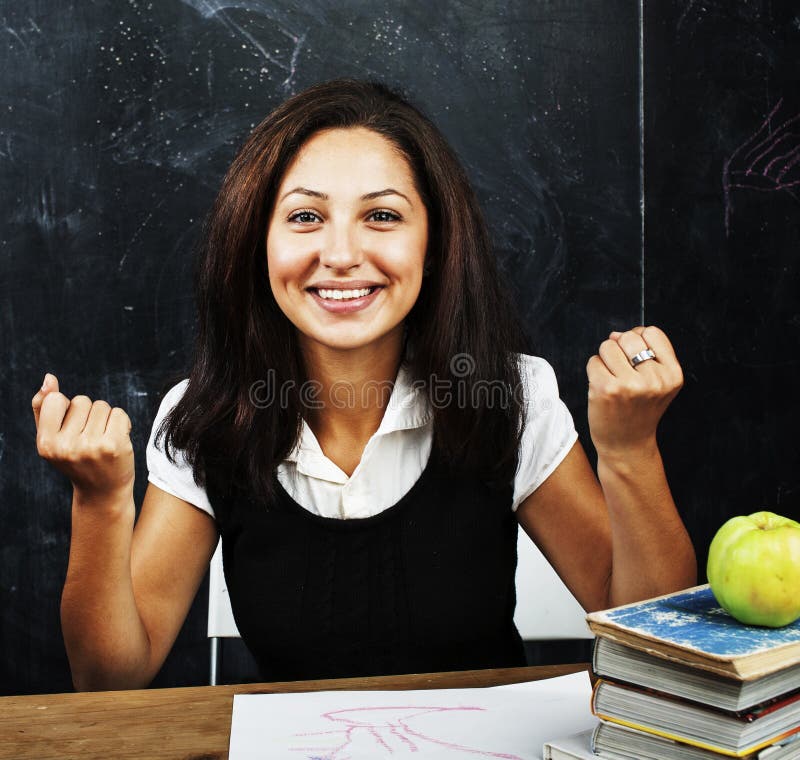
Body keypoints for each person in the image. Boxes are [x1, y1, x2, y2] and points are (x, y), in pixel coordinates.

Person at [32, 79, 696, 691]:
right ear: (256, 242)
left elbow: (653, 639)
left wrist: (631, 449)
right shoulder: (208, 417)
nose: (343, 253)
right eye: (304, 217)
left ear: (433, 244)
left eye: (381, 216)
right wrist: (99, 503)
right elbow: (111, 678)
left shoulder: (509, 398)